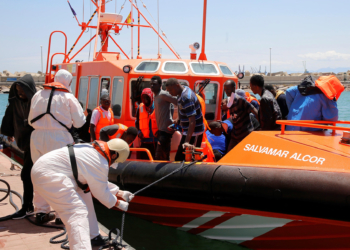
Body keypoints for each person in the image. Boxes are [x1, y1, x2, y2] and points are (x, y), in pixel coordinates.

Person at [31, 139, 134, 250]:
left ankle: (93, 236)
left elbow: (96, 181)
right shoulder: (100, 161)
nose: (114, 164)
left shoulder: (93, 151)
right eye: (116, 161)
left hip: (48, 169)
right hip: (49, 174)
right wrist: (119, 204)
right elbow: (101, 193)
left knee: (85, 196)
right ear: (114, 155)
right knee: (77, 212)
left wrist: (120, 193)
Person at [29, 69, 86, 224]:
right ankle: (62, 215)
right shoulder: (68, 97)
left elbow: (30, 120)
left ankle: (41, 212)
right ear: (68, 81)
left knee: (40, 173)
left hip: (37, 137)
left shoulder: (37, 95)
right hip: (60, 138)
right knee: (63, 175)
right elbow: (80, 123)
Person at [1, 75, 37, 219]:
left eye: (22, 90)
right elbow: (9, 116)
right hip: (25, 142)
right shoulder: (15, 102)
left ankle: (28, 206)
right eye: (17, 90)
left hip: (37, 143)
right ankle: (29, 206)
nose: (20, 92)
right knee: (28, 174)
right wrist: (8, 132)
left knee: (27, 174)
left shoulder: (36, 103)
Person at [165, 78, 205, 161]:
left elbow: (192, 121)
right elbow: (183, 108)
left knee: (185, 159)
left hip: (194, 133)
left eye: (171, 90)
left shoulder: (186, 98)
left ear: (177, 85)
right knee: (181, 159)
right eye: (168, 91)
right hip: (188, 131)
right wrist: (178, 119)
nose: (170, 93)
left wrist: (187, 141)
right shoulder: (183, 89)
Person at [150, 76, 177, 161]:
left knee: (159, 157)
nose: (152, 86)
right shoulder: (156, 96)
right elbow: (171, 105)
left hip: (165, 131)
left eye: (154, 84)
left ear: (160, 85)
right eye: (151, 84)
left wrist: (174, 120)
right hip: (161, 131)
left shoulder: (163, 94)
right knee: (163, 157)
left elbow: (178, 102)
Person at [135, 88, 158, 160]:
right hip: (144, 141)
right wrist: (139, 132)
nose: (145, 99)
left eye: (147, 97)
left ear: (151, 96)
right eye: (143, 97)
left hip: (156, 141)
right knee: (144, 162)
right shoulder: (140, 107)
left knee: (157, 161)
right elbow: (137, 122)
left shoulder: (158, 106)